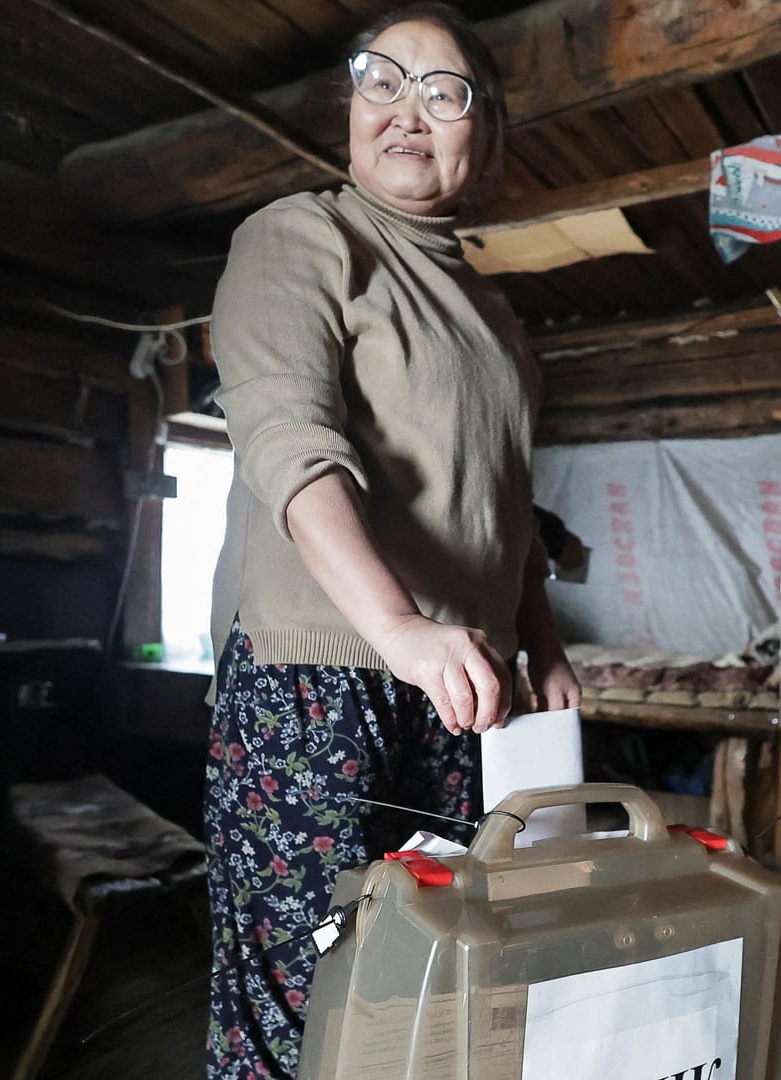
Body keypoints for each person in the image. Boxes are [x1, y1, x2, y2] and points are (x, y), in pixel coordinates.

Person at [200, 5, 578, 1076]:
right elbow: (290, 443)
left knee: (422, 983)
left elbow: (504, 501)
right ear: (350, 109)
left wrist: (537, 637)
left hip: (461, 685)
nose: (410, 109)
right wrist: (398, 624)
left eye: (445, 91)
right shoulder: (301, 237)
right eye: (383, 81)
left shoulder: (497, 321)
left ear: (484, 134)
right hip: (321, 673)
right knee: (301, 989)